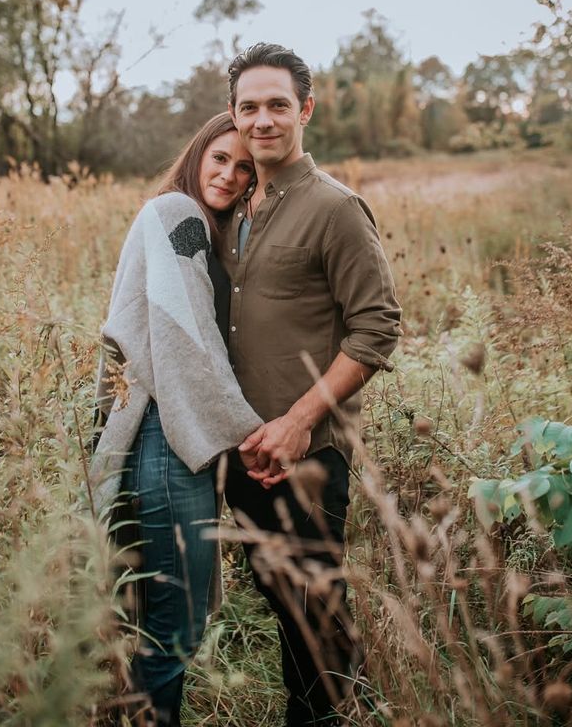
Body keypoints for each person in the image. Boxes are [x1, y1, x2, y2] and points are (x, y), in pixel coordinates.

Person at [222, 43, 402, 727]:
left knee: (314, 613)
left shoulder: (334, 208)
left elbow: (375, 329)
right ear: (232, 117)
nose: (262, 120)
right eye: (248, 107)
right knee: (279, 601)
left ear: (304, 109)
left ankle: (329, 715)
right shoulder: (236, 205)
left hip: (305, 453)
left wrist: (297, 421)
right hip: (242, 449)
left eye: (275, 105)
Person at [89, 113, 264, 727]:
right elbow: (187, 338)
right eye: (219, 158)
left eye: (244, 168)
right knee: (174, 622)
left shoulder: (189, 221)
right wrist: (248, 434)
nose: (230, 174)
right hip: (169, 436)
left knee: (159, 616)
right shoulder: (178, 216)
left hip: (163, 435)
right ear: (196, 156)